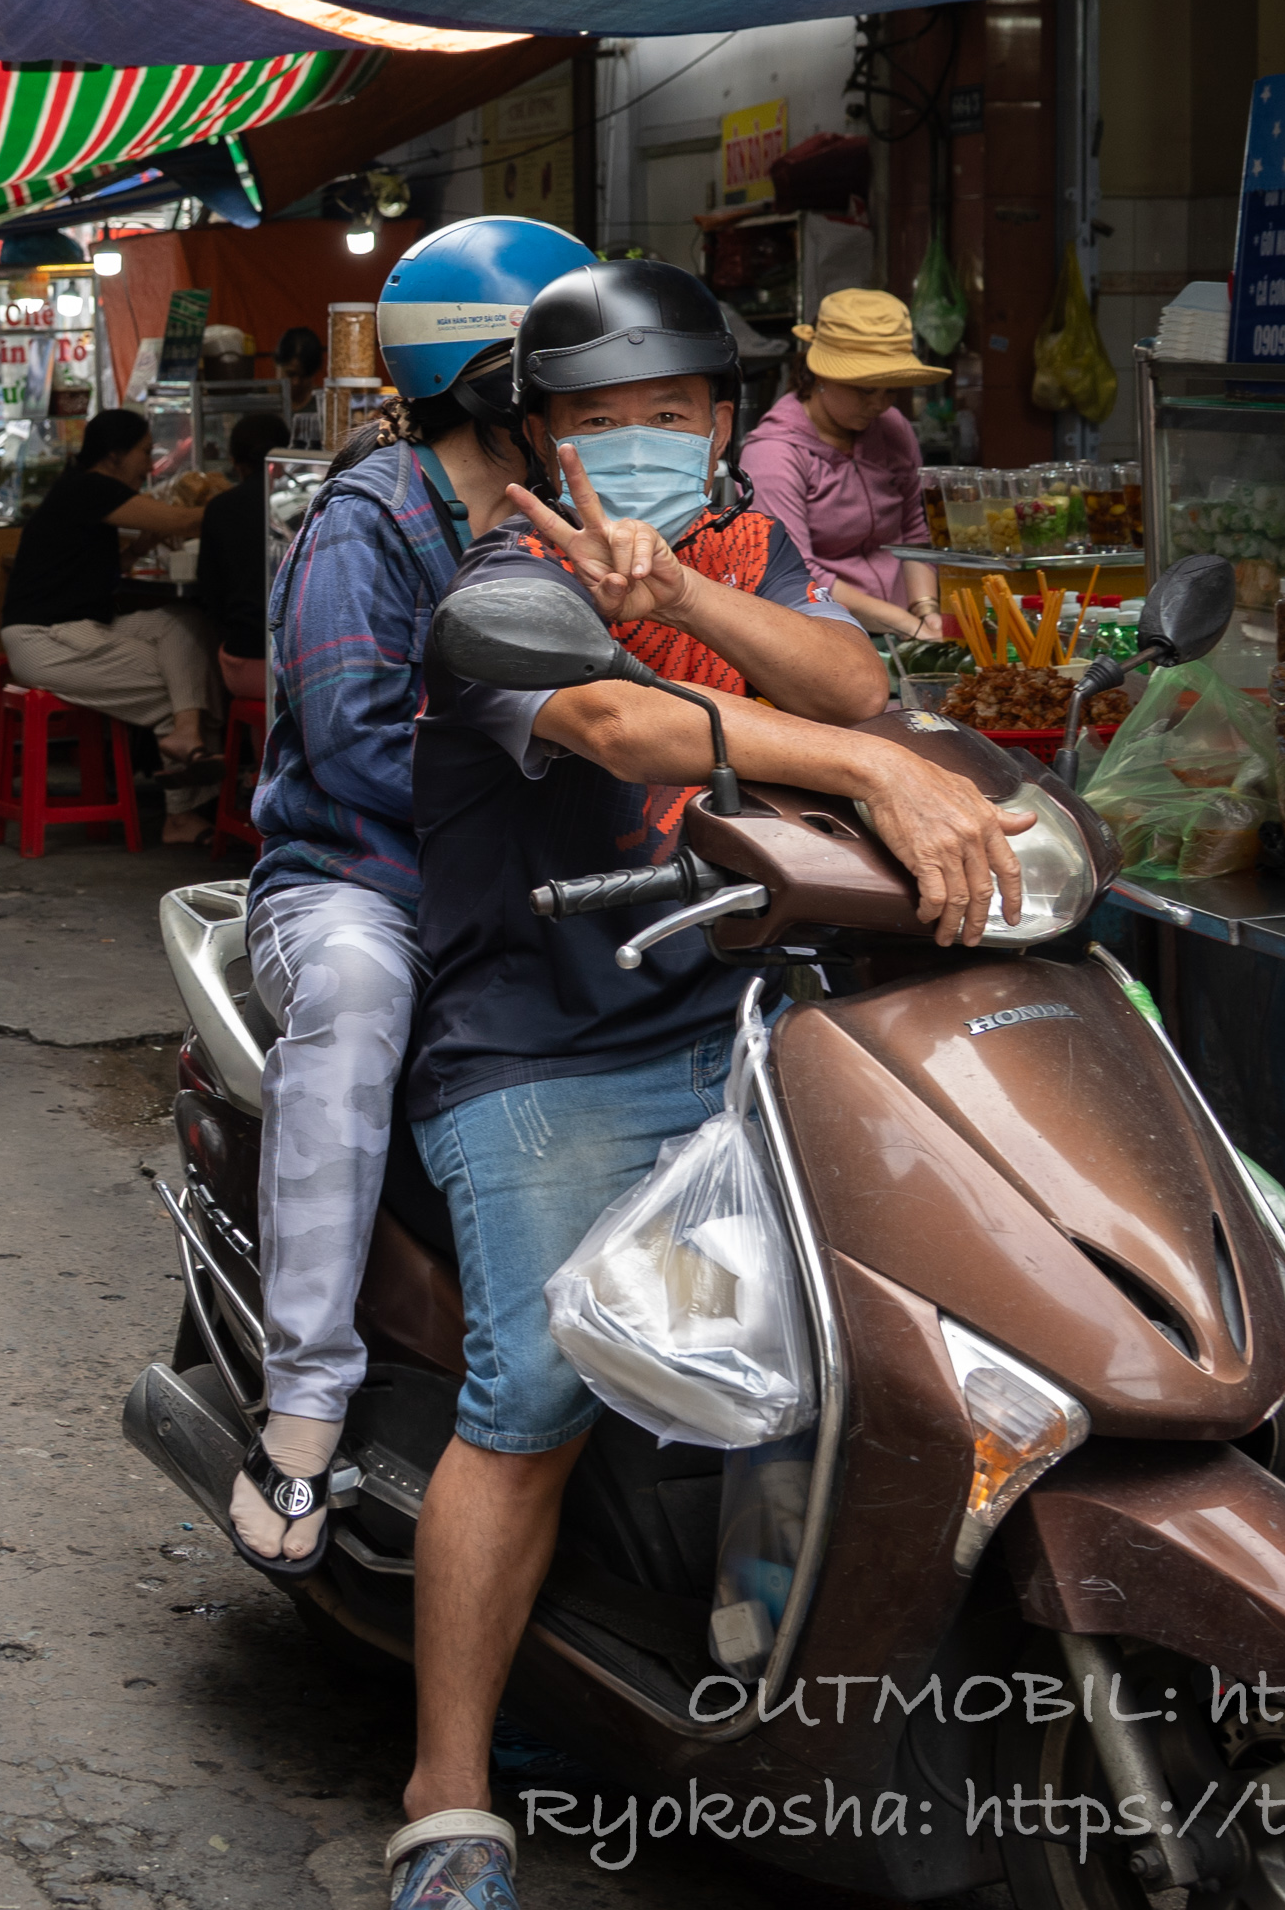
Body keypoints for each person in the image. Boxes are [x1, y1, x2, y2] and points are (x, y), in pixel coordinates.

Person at [378, 261, 1033, 1910]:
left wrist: (686, 581)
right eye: (594, 418)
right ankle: (446, 1796)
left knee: (862, 1359)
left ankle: (772, 1692)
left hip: (745, 1020)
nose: (634, 442)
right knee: (532, 1399)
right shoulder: (503, 584)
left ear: (724, 424)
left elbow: (850, 679)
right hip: (543, 1040)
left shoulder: (743, 549)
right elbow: (623, 726)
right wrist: (872, 769)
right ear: (541, 439)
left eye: (666, 414)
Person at [230, 216, 594, 1580]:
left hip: (547, 876)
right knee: (358, 997)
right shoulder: (367, 523)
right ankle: (305, 1403)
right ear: (497, 389)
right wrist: (568, 781)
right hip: (357, 880)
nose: (603, 416)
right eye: (573, 385)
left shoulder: (585, 521)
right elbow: (356, 747)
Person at [0, 408, 225, 840]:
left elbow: (93, 572)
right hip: (43, 640)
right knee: (182, 683)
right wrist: (240, 503)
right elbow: (181, 520)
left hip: (81, 626)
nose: (149, 464)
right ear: (114, 454)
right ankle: (181, 815)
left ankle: (186, 733)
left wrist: (138, 548)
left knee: (184, 623)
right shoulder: (91, 487)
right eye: (144, 452)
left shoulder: (86, 492)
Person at [738, 288, 950, 638]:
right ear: (820, 374)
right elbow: (793, 570)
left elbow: (913, 533)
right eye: (865, 390)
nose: (880, 405)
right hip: (825, 631)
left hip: (904, 624)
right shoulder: (774, 453)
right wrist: (905, 624)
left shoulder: (892, 428)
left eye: (891, 389)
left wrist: (925, 610)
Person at [197, 411, 292, 667]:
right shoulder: (299, 504)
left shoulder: (219, 507)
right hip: (295, 660)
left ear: (235, 462)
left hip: (242, 658)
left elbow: (209, 592)